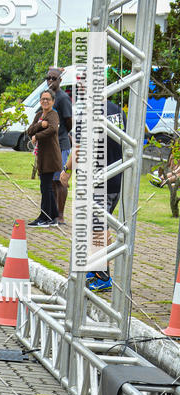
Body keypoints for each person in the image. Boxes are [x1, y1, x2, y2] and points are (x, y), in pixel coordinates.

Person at [63, 98, 126, 291]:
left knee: (96, 227)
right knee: (99, 224)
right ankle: (95, 267)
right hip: (117, 175)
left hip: (99, 180)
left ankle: (103, 275)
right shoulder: (118, 110)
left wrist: (66, 171)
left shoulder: (87, 113)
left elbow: (79, 149)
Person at [27, 89, 62, 226]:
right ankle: (53, 216)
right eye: (43, 99)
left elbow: (53, 129)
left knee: (46, 187)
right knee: (46, 187)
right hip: (41, 156)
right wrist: (40, 125)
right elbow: (29, 130)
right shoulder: (39, 115)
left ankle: (44, 217)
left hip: (50, 156)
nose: (45, 101)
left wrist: (37, 135)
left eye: (48, 99)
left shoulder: (53, 115)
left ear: (53, 101)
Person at [46, 68, 73, 224]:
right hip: (47, 146)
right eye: (48, 78)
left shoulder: (63, 98)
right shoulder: (48, 97)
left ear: (60, 80)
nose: (50, 81)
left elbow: (69, 121)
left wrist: (62, 134)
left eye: (53, 78)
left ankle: (60, 215)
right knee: (50, 181)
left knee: (59, 180)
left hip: (60, 145)